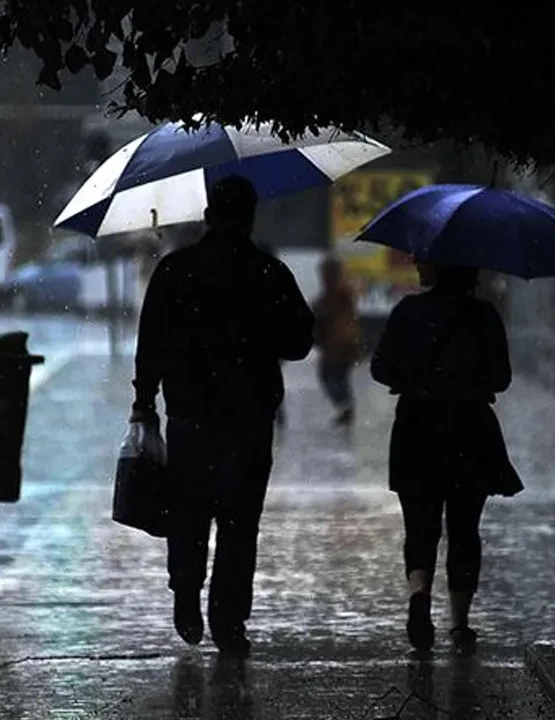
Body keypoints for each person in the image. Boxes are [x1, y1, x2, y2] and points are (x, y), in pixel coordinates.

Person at [130, 174, 315, 657]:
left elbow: (150, 342)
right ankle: (228, 618)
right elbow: (299, 341)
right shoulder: (269, 274)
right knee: (239, 522)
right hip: (249, 420)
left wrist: (144, 399)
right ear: (249, 217)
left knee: (188, 512)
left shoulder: (175, 271)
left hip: (189, 416)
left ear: (208, 214)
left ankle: (186, 594)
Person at [370, 262, 514, 656]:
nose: (415, 261)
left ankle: (419, 592)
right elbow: (502, 377)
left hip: (417, 428)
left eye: (423, 257)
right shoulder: (484, 315)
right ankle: (460, 623)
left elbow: (379, 368)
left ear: (439, 264)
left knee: (420, 524)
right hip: (469, 429)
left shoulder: (408, 312)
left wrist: (413, 379)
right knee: (464, 528)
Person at [312, 255, 363, 425]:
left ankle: (346, 408)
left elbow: (329, 312)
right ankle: (346, 409)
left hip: (339, 344)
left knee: (331, 377)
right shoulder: (335, 292)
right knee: (338, 377)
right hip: (340, 344)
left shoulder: (340, 292)